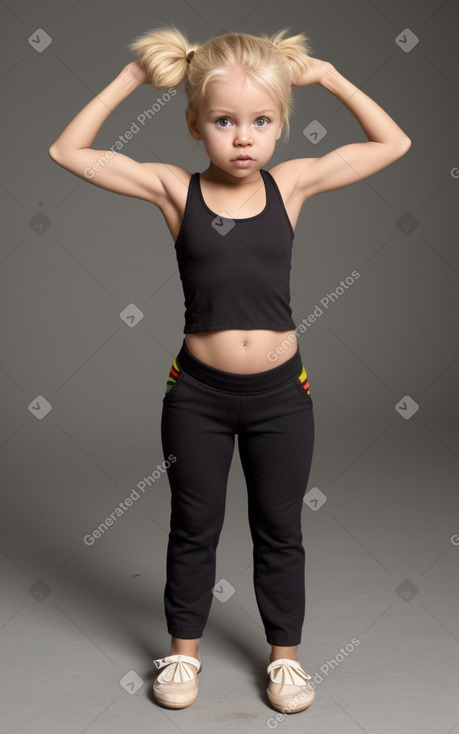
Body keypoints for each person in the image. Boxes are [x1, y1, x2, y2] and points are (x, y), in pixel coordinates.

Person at [48, 25, 411, 713]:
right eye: (224, 121)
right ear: (194, 123)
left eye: (261, 121)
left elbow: (393, 144)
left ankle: (286, 663)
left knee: (281, 529)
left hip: (282, 396)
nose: (243, 138)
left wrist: (329, 78)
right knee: (194, 524)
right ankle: (181, 657)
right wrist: (132, 80)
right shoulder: (173, 191)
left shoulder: (292, 185)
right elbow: (67, 150)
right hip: (198, 398)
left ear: (279, 127)